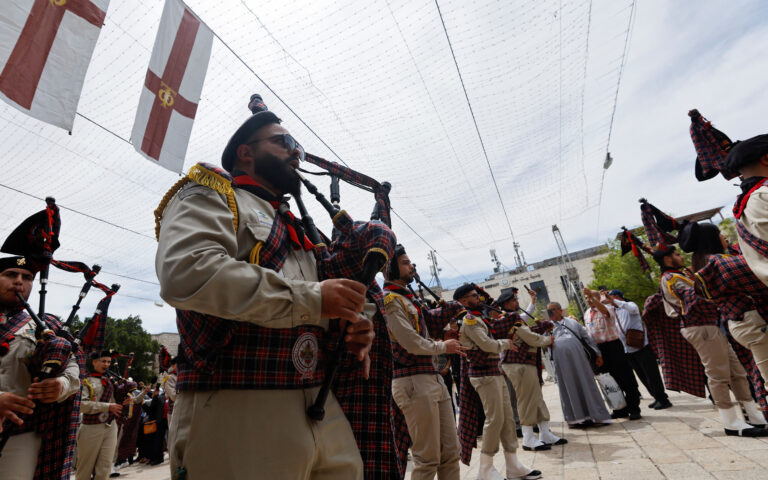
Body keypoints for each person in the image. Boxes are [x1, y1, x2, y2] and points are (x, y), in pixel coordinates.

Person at [155, 103, 375, 479]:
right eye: (284, 142)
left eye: (298, 148)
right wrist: (315, 299)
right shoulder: (213, 193)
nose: (296, 153)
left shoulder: (302, 229)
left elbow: (317, 307)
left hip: (320, 401)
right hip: (236, 402)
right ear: (247, 152)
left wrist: (352, 328)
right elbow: (186, 271)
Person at [654, 245, 767, 437]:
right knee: (718, 374)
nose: (681, 257)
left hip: (709, 325)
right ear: (667, 260)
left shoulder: (679, 276)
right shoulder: (671, 279)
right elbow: (695, 300)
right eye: (676, 254)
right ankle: (730, 421)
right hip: (699, 326)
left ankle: (752, 415)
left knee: (737, 371)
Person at [382, 244, 464, 480]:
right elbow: (411, 341)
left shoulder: (410, 299)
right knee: (427, 458)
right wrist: (442, 347)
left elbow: (430, 322)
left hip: (432, 379)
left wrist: (449, 310)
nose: (412, 266)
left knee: (450, 452)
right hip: (412, 381)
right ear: (390, 268)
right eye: (405, 263)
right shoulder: (390, 300)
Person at [0, 255, 81, 479]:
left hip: (20, 436)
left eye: (27, 277)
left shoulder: (46, 326)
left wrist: (61, 385)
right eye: (10, 274)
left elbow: (72, 367)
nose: (19, 281)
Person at [455, 284, 540, 480]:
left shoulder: (481, 318)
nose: (479, 298)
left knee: (507, 418)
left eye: (478, 295)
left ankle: (513, 464)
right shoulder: (470, 321)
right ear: (463, 301)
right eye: (474, 295)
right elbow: (486, 345)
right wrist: (505, 344)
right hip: (484, 375)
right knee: (494, 420)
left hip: (494, 372)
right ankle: (485, 468)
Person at [496, 289, 566, 451]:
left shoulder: (512, 318)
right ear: (506, 304)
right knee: (526, 399)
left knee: (536, 398)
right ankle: (528, 437)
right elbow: (530, 338)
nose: (516, 302)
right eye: (514, 300)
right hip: (517, 364)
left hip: (525, 362)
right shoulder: (509, 319)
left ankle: (544, 432)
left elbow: (528, 332)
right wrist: (548, 339)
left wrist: (542, 327)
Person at [547, 302, 612, 428]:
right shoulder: (547, 326)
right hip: (562, 363)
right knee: (569, 387)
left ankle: (597, 415)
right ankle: (576, 419)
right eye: (548, 311)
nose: (551, 313)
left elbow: (586, 338)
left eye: (553, 310)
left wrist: (597, 354)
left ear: (560, 310)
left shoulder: (573, 323)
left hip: (580, 361)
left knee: (587, 384)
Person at [606, 289, 671, 410]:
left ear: (616, 297)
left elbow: (633, 309)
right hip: (628, 349)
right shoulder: (615, 311)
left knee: (652, 374)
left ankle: (663, 398)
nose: (609, 300)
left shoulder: (629, 305)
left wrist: (615, 301)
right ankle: (656, 396)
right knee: (642, 376)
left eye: (611, 297)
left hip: (641, 347)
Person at [582, 288, 642, 420]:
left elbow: (604, 312)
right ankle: (619, 409)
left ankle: (634, 408)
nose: (589, 300)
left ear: (598, 298)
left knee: (625, 378)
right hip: (599, 349)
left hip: (613, 346)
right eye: (587, 299)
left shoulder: (608, 308)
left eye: (591, 298)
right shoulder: (587, 313)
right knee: (608, 381)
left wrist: (592, 297)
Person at [77, 351, 128, 480]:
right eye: (103, 361)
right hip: (91, 428)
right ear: (94, 362)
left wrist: (124, 402)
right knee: (85, 469)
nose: (106, 364)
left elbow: (115, 401)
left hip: (110, 426)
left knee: (105, 469)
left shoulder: (111, 381)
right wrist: (108, 407)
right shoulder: (85, 380)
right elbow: (82, 405)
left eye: (109, 362)